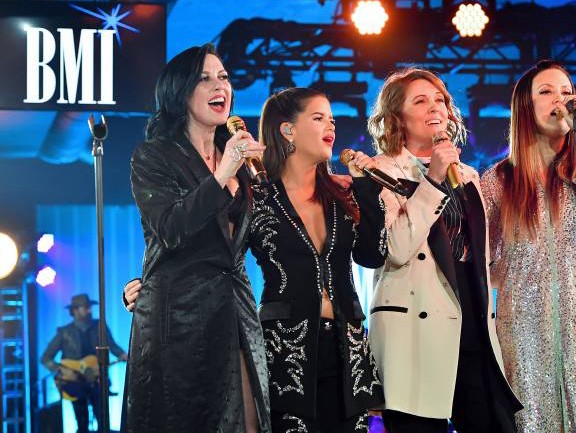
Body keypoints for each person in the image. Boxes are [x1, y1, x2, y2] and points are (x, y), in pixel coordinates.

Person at [479, 59, 576, 432]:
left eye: (566, 92)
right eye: (546, 92)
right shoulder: (500, 180)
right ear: (526, 107)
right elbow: (482, 260)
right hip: (526, 332)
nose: (560, 99)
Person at [122, 44, 270, 433]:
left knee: (250, 418)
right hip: (179, 318)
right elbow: (169, 228)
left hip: (235, 307)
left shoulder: (237, 157)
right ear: (179, 93)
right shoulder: (154, 156)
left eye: (223, 77)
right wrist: (223, 175)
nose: (219, 85)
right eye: (204, 78)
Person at [366, 67, 522, 433]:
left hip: (471, 326)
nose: (435, 107)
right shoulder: (380, 170)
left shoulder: (467, 174)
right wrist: (432, 179)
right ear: (397, 117)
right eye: (420, 101)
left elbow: (478, 255)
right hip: (416, 331)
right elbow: (397, 248)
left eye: (440, 100)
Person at [248, 87, 386, 432]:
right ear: (287, 129)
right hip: (286, 355)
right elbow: (216, 257)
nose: (331, 126)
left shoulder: (342, 194)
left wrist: (365, 187)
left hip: (347, 353)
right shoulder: (258, 197)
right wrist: (149, 281)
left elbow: (373, 255)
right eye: (318, 117)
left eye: (333, 120)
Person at [41, 293, 128, 433]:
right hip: (75, 383)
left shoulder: (99, 326)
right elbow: (45, 358)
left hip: (97, 379)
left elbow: (112, 345)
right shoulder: (64, 332)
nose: (89, 310)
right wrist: (62, 371)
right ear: (75, 310)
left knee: (103, 420)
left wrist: (123, 355)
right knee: (82, 423)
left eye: (89, 307)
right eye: (85, 307)